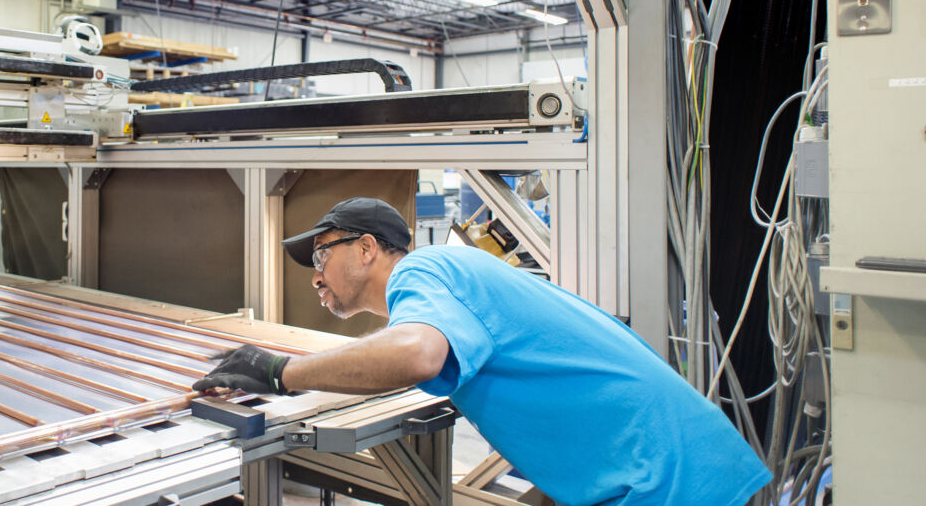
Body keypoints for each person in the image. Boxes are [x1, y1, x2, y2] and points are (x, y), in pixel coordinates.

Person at [194, 197, 770, 506]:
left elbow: (418, 355)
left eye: (321, 256)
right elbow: (562, 405)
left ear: (368, 248)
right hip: (679, 465)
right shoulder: (454, 279)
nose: (315, 278)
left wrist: (278, 371)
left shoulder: (424, 270)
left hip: (664, 485)